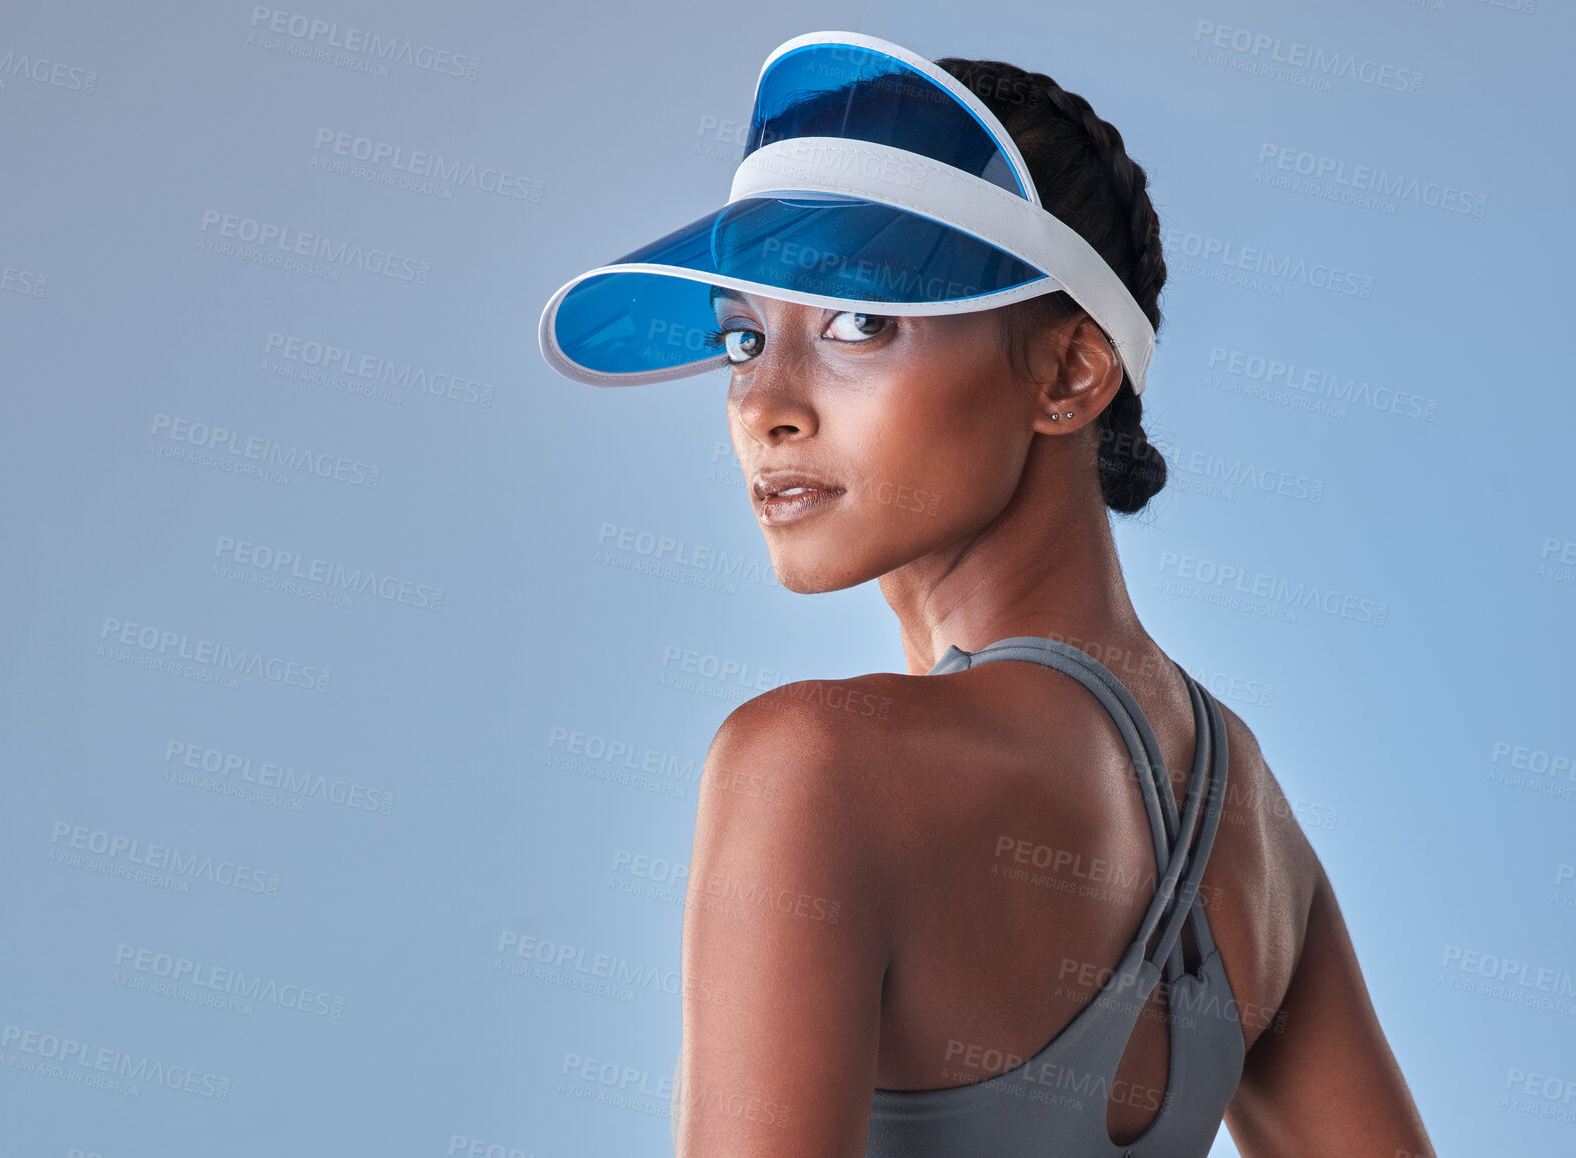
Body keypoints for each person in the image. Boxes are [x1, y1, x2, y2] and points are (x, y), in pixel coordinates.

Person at [538, 31, 1436, 1158]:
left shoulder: (814, 762)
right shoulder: (1246, 815)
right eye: (741, 337)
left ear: (1067, 372)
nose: (764, 404)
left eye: (858, 322)